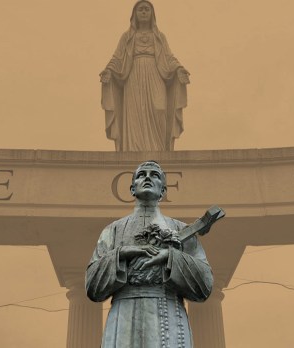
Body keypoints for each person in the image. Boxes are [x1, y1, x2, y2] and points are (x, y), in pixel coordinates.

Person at [85, 161, 213, 348]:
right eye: (141, 174)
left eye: (154, 175)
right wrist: (122, 254)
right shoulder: (112, 230)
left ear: (163, 191)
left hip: (168, 312)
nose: (147, 177)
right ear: (132, 189)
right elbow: (92, 286)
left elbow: (205, 284)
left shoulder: (180, 229)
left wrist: (170, 257)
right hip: (123, 315)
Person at [100, 1, 190, 151]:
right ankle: (133, 149)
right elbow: (117, 58)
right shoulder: (127, 37)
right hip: (133, 77)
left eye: (146, 9)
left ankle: (159, 150)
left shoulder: (160, 37)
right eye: (140, 9)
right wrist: (108, 70)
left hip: (155, 75)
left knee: (159, 109)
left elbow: (169, 57)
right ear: (134, 14)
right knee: (136, 114)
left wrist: (179, 68)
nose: (143, 12)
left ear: (152, 14)